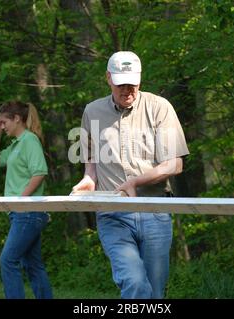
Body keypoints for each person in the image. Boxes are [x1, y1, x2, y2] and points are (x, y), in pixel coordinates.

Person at [72, 51, 189, 299]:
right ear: (108, 78)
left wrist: (135, 182)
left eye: (132, 84)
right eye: (121, 84)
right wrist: (87, 181)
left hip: (154, 210)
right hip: (112, 213)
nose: (128, 90)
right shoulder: (91, 112)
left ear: (140, 80)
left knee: (155, 294)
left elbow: (174, 164)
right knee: (134, 284)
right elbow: (90, 166)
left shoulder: (159, 107)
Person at [0, 101, 53, 299]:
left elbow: (39, 172)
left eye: (4, 121)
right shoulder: (16, 144)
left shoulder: (29, 140)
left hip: (28, 212)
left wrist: (20, 200)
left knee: (7, 260)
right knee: (33, 265)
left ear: (17, 119)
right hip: (22, 213)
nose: (2, 125)